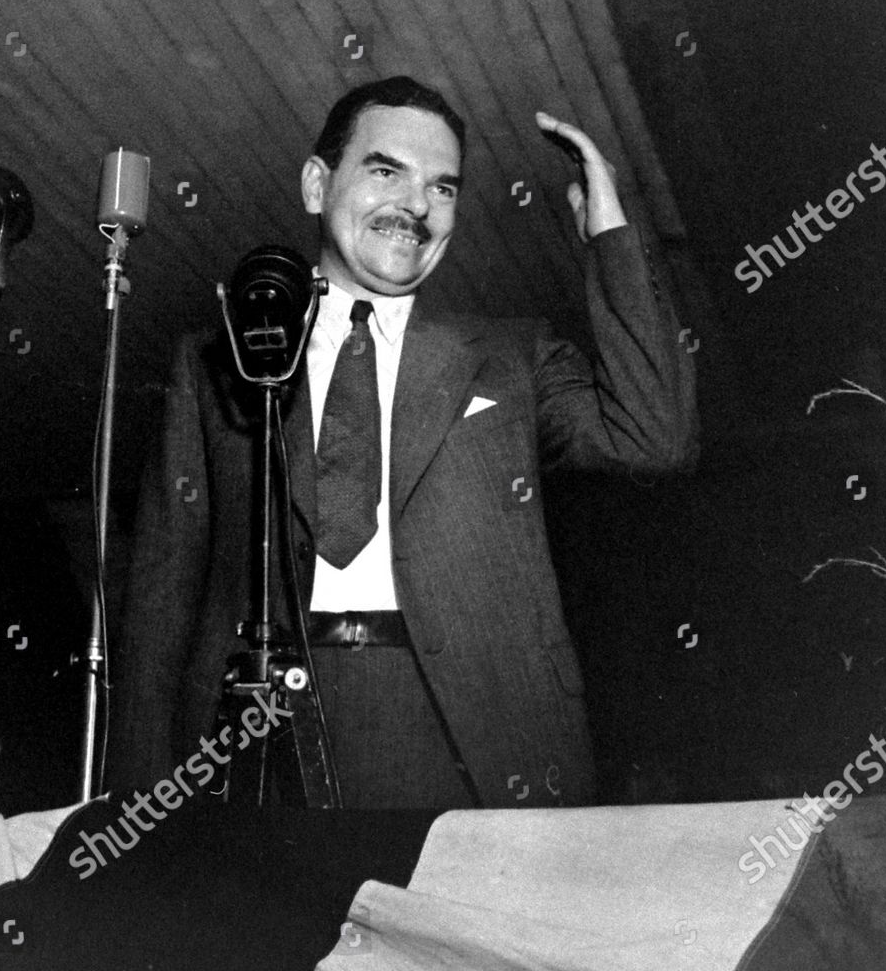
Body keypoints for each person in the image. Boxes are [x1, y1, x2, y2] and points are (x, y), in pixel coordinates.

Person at [110, 76, 697, 807]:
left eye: (442, 188)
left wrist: (608, 234)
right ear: (318, 185)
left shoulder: (510, 357)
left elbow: (653, 436)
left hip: (471, 739)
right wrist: (136, 818)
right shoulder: (217, 363)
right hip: (255, 742)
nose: (416, 206)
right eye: (386, 171)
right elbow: (161, 604)